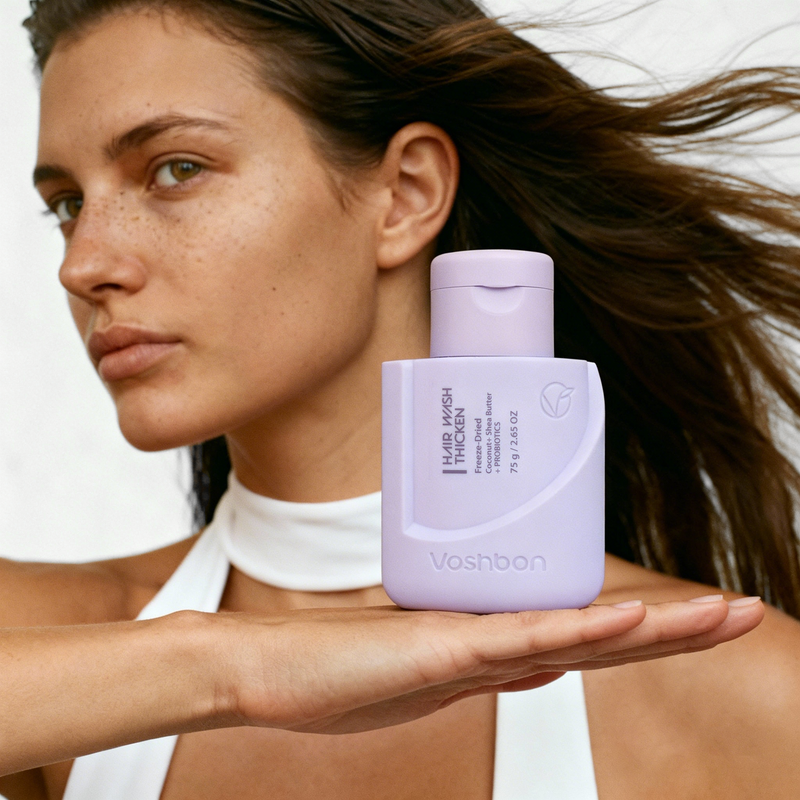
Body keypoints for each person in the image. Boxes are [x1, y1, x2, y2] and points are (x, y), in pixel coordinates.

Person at [1, 0, 799, 797]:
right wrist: (225, 668)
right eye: (69, 204)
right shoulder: (46, 645)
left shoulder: (738, 689)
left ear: (407, 193)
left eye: (177, 169)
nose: (83, 265)